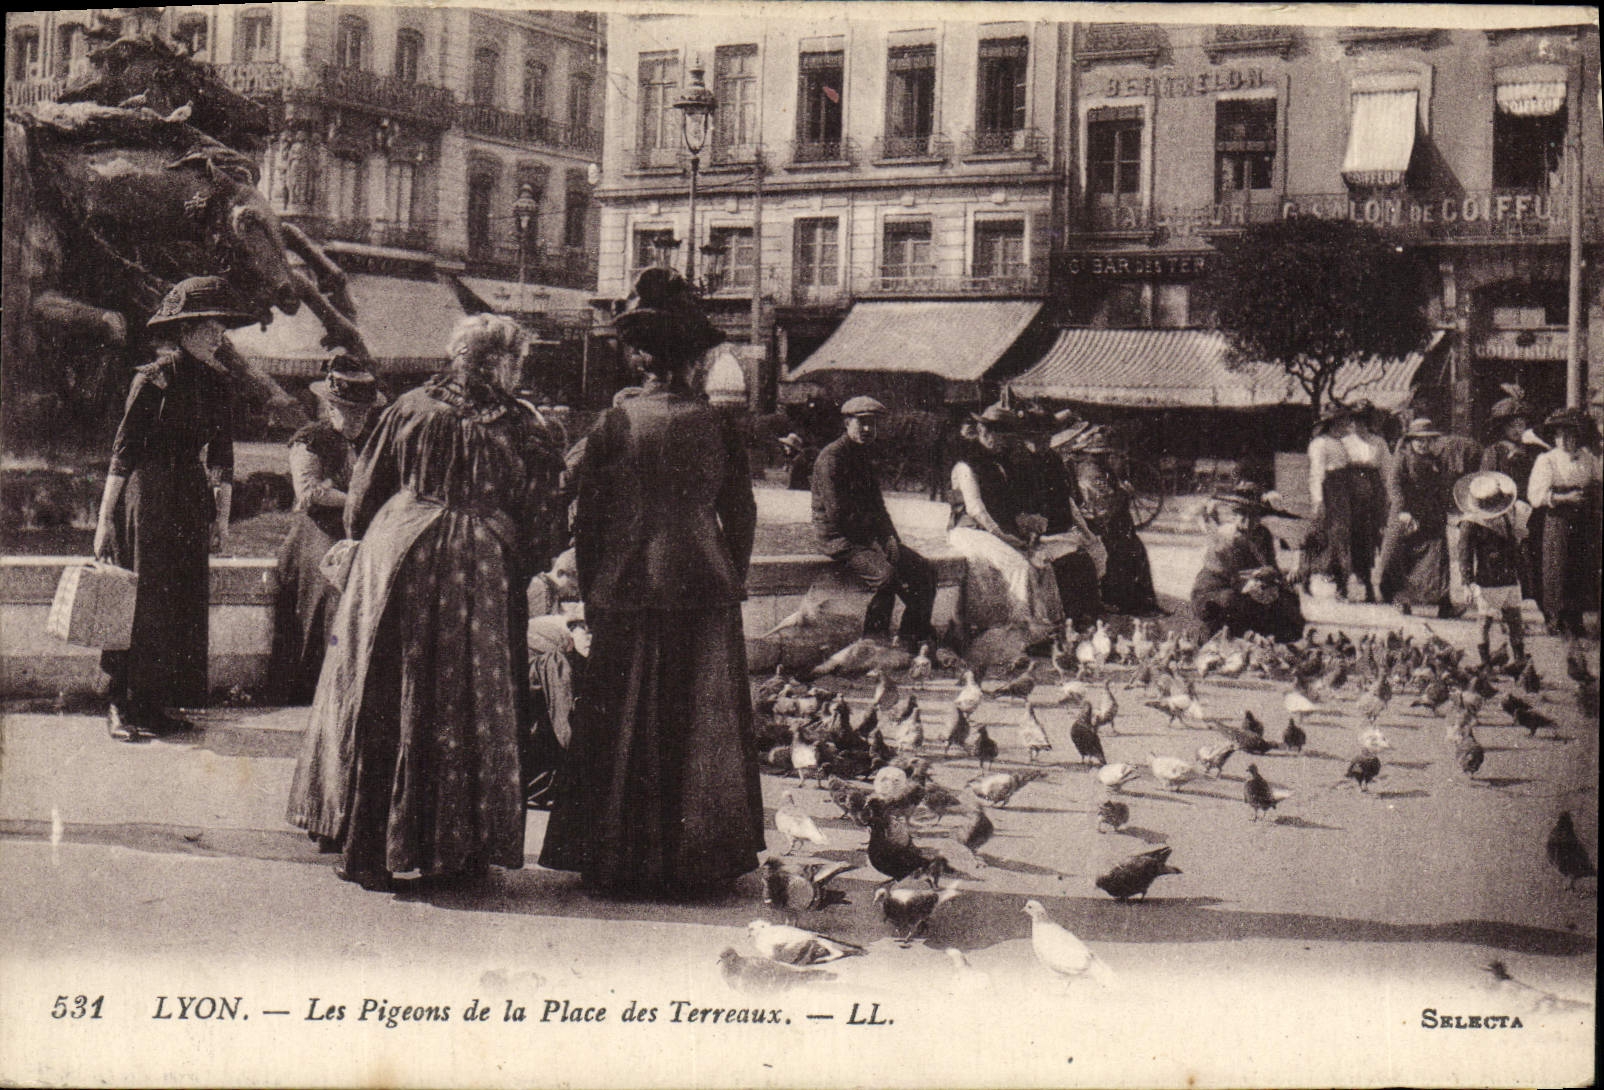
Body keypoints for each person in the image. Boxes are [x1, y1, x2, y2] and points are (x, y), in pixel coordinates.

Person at [285, 314, 566, 892]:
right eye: (516, 362)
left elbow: (362, 500)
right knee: (471, 702)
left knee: (385, 691)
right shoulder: (522, 425)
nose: (518, 372)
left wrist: (384, 536)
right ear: (498, 364)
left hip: (398, 556)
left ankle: (368, 852)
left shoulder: (408, 408)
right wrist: (513, 555)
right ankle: (457, 852)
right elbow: (545, 520)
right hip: (480, 572)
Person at [540, 268, 765, 898]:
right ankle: (697, 859)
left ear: (643, 358)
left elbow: (583, 509)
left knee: (622, 713)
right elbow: (741, 512)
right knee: (698, 720)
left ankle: (614, 856)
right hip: (703, 583)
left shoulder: (616, 423)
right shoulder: (719, 424)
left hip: (628, 582)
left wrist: (594, 582)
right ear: (694, 359)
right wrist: (730, 571)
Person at [93, 276, 252, 741]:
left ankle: (154, 704)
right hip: (147, 496)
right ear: (185, 330)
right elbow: (123, 454)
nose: (218, 336)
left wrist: (221, 520)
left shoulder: (218, 384)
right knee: (140, 599)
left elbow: (223, 458)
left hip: (189, 497)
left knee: (179, 600)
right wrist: (104, 521)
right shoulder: (153, 379)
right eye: (209, 328)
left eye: (221, 328)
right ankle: (120, 704)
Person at [266, 358, 386, 704]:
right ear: (331, 407)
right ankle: (312, 686)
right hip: (317, 533)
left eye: (363, 413)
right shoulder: (310, 440)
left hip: (357, 531)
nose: (357, 419)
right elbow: (309, 493)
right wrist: (356, 499)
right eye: (350, 411)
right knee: (329, 590)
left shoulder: (373, 442)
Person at [809, 397, 937, 650]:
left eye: (873, 424)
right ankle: (872, 642)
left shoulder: (862, 456)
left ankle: (909, 637)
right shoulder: (831, 458)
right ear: (847, 423)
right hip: (839, 538)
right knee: (886, 576)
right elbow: (839, 515)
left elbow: (879, 507)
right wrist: (874, 543)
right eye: (862, 423)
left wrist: (892, 540)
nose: (868, 429)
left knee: (925, 571)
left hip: (868, 538)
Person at [946, 405, 1065, 633]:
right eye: (1002, 436)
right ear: (985, 432)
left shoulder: (1000, 464)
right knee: (1017, 566)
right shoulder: (966, 466)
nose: (1006, 443)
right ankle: (1022, 628)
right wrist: (1006, 537)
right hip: (969, 531)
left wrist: (1028, 525)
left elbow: (1008, 507)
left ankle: (1046, 624)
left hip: (995, 532)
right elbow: (976, 511)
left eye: (1009, 437)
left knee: (1042, 564)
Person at [1055, 424, 1160, 616]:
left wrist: (1120, 492)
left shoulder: (1102, 470)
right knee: (1121, 549)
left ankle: (1139, 601)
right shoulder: (1089, 471)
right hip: (1094, 524)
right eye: (1102, 455)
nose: (1107, 458)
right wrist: (1123, 493)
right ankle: (1121, 600)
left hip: (1108, 522)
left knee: (1134, 546)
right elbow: (1101, 507)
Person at [1015, 409, 1104, 629]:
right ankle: (1071, 619)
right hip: (1032, 531)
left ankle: (1087, 616)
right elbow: (1016, 503)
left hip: (1056, 528)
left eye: (1046, 437)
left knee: (1085, 555)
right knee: (1070, 562)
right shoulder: (1018, 461)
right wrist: (1033, 529)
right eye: (1037, 437)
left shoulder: (1053, 459)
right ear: (1026, 437)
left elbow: (1065, 499)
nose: (1043, 442)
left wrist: (1081, 528)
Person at [1528, 407, 1601, 663]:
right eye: (1561, 435)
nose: (1566, 440)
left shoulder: (1587, 458)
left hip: (1582, 519)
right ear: (1555, 437)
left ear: (1578, 437)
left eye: (1571, 435)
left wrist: (1590, 493)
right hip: (1557, 517)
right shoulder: (1547, 460)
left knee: (1579, 568)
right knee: (1557, 566)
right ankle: (1557, 619)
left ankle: (1576, 617)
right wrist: (1564, 497)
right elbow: (1536, 495)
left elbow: (1597, 480)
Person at [1191, 483, 1305, 643]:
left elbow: (1271, 567)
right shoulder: (1227, 536)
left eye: (1254, 515)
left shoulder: (1263, 534)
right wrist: (1254, 581)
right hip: (1218, 588)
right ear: (1234, 515)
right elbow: (1231, 575)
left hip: (1253, 589)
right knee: (1233, 605)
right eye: (1243, 514)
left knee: (1289, 604)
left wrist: (1272, 574)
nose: (1248, 520)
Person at [1306, 403, 1387, 602]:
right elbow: (1316, 473)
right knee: (1334, 537)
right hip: (1331, 492)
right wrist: (1318, 500)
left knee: (1354, 537)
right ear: (1333, 423)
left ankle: (1357, 582)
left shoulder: (1339, 442)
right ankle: (1327, 582)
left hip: (1347, 493)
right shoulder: (1321, 443)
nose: (1348, 425)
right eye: (1344, 421)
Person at [524, 548, 583, 811]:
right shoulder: (540, 587)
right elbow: (532, 628)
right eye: (574, 584)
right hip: (536, 657)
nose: (574, 592)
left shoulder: (550, 590)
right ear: (562, 574)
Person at [1378, 418, 1454, 617]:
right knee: (1397, 557)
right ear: (1410, 441)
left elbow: (1443, 488)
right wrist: (1402, 511)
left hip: (1430, 515)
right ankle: (1400, 598)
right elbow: (1394, 486)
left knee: (1437, 557)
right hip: (1404, 514)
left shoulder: (1437, 461)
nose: (1423, 444)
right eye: (1419, 440)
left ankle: (1444, 604)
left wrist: (1445, 510)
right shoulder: (1402, 458)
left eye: (1428, 440)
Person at [1451, 471, 1527, 669]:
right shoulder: (1470, 523)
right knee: (1484, 621)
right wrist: (1467, 583)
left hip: (1509, 575)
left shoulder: (1506, 515)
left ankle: (1519, 659)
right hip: (1487, 578)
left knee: (1515, 619)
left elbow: (1513, 543)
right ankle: (1485, 662)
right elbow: (1465, 554)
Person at [1479, 389, 1546, 599]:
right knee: (1504, 560)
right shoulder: (1494, 452)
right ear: (1503, 427)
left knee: (1532, 559)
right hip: (1504, 510)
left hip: (1531, 510)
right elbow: (1486, 483)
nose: (1518, 430)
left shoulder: (1534, 451)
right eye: (1512, 426)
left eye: (1521, 425)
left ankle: (1536, 601)